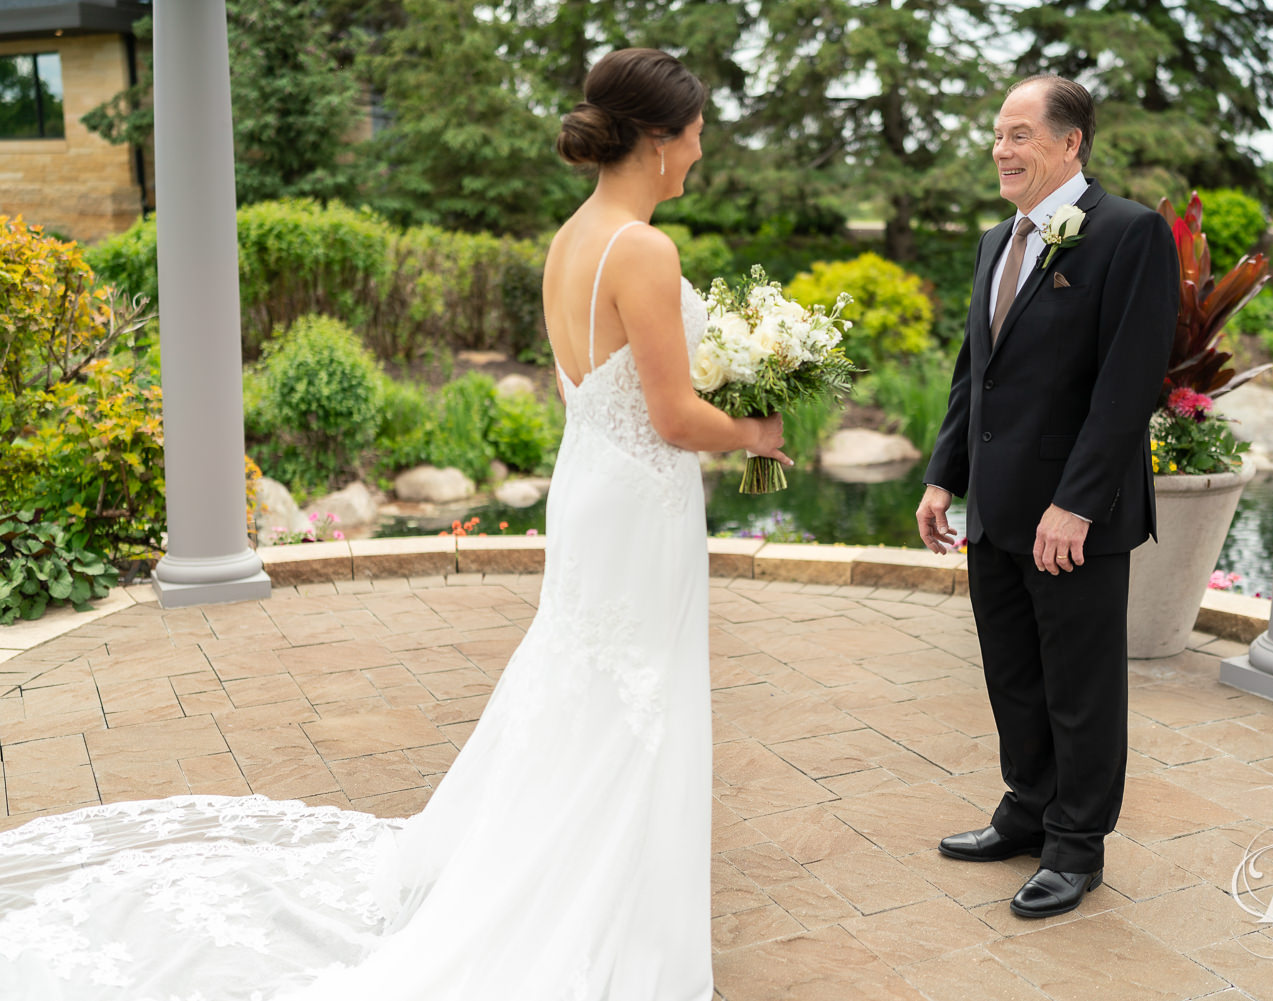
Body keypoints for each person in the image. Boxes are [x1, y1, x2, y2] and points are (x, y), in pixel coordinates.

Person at [0, 48, 786, 1000]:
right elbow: (671, 416)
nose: (702, 150)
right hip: (640, 501)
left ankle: (556, 863)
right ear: (659, 141)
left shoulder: (573, 236)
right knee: (635, 690)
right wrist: (757, 427)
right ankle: (597, 904)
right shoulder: (646, 250)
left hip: (593, 485)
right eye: (696, 134)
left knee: (587, 677)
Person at [915, 75, 1177, 919]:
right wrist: (941, 475)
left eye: (1021, 134)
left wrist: (1078, 502)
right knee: (1014, 674)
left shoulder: (1130, 234)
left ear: (1070, 143)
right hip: (995, 507)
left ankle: (1075, 845)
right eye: (998, 133)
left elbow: (1127, 384)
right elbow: (974, 376)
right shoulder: (998, 240)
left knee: (1079, 684)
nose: (1002, 148)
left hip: (1073, 516)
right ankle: (1026, 810)